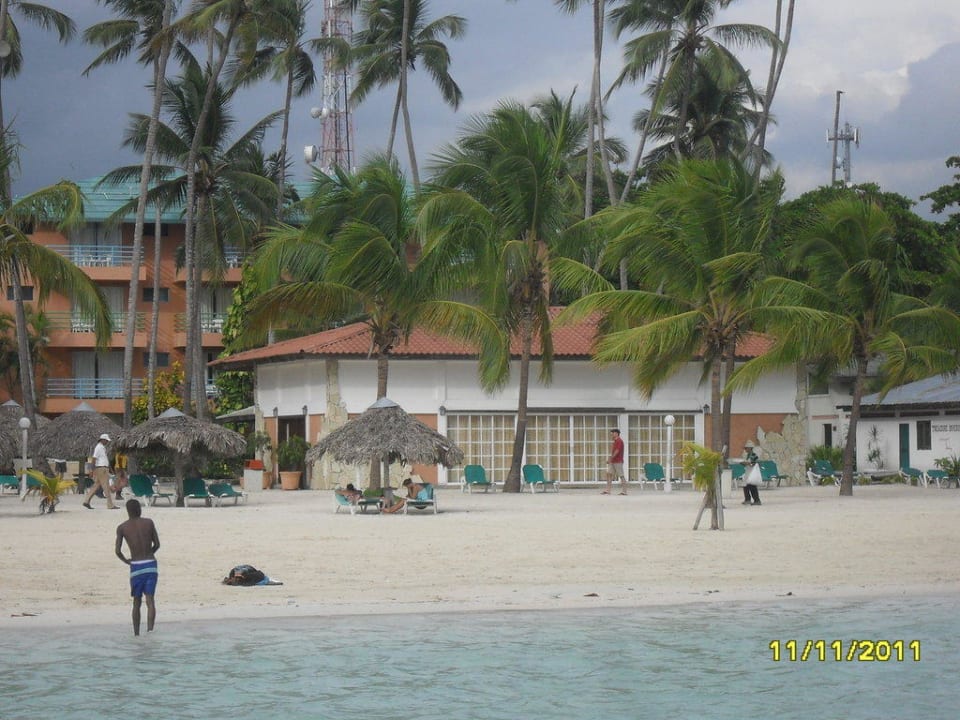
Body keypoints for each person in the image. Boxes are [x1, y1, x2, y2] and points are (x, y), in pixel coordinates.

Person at [115, 499, 160, 635]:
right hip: (151, 565)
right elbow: (157, 544)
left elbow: (117, 551)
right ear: (139, 509)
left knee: (136, 602)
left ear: (128, 511)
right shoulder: (149, 522)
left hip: (136, 566)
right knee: (150, 600)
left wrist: (127, 561)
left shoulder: (122, 527)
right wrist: (148, 554)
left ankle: (136, 634)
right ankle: (150, 632)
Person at [83, 434, 117, 510]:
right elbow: (94, 459)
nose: (107, 442)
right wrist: (91, 470)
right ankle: (110, 505)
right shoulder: (99, 447)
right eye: (106, 440)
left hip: (103, 468)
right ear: (102, 440)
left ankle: (86, 501)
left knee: (96, 485)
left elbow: (105, 459)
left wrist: (110, 469)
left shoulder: (102, 447)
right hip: (102, 469)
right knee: (106, 486)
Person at [602, 428, 627, 495]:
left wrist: (610, 459)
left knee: (621, 475)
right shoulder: (615, 441)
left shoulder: (619, 441)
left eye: (612, 433)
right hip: (613, 461)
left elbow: (617, 451)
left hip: (618, 461)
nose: (611, 435)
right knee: (609, 474)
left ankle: (624, 491)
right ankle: (608, 490)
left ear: (616, 433)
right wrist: (611, 459)